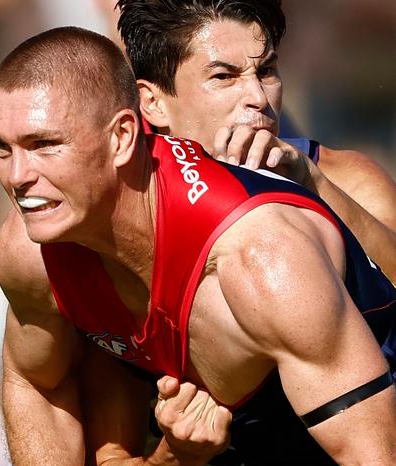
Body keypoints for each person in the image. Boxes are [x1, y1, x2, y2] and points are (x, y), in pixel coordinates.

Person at [0, 26, 396, 466]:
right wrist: (174, 459)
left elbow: (376, 465)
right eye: (1, 147)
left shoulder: (261, 258)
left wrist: (176, 461)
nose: (16, 177)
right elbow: (36, 383)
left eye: (43, 146)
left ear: (123, 136)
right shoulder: (33, 251)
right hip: (224, 451)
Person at [116, 0, 396, 282]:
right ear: (153, 102)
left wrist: (314, 184)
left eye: (266, 71)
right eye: (224, 76)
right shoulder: (121, 206)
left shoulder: (348, 180)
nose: (259, 98)